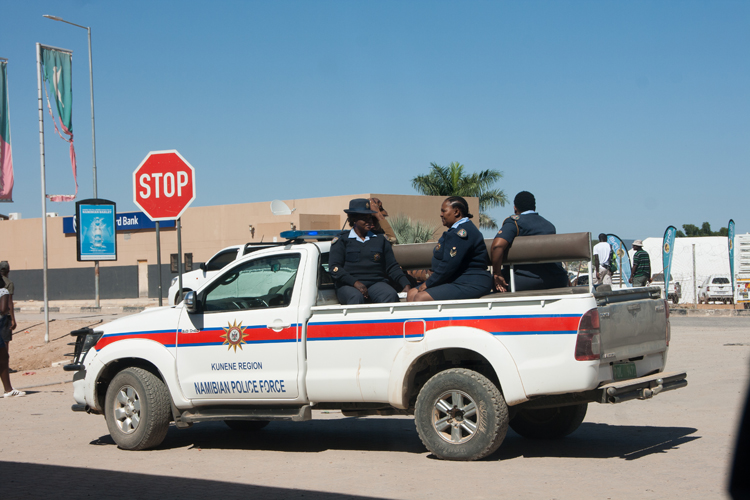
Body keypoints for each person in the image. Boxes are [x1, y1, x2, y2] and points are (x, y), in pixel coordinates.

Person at [407, 196, 492, 302]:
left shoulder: (462, 232)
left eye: (444, 211)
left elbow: (449, 264)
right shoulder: (454, 231)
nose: (441, 214)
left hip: (471, 281)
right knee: (412, 294)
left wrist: (428, 283)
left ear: (456, 212)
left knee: (421, 297)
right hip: (455, 279)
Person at [329, 199, 412, 305]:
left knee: (390, 295)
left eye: (370, 218)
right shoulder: (342, 240)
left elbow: (392, 266)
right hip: (348, 285)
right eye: (364, 218)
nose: (369, 221)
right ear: (353, 219)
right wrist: (355, 283)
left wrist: (406, 284)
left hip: (376, 283)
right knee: (356, 297)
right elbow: (335, 268)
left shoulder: (380, 239)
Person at [491, 191, 569, 292]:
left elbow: (497, 246)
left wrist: (497, 273)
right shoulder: (549, 225)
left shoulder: (515, 222)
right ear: (534, 207)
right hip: (556, 279)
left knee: (488, 281)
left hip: (524, 281)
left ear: (515, 208)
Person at [0, 267, 24, 398]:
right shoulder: (3, 291)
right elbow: (4, 309)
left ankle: (9, 389)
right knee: (3, 357)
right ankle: (8, 390)